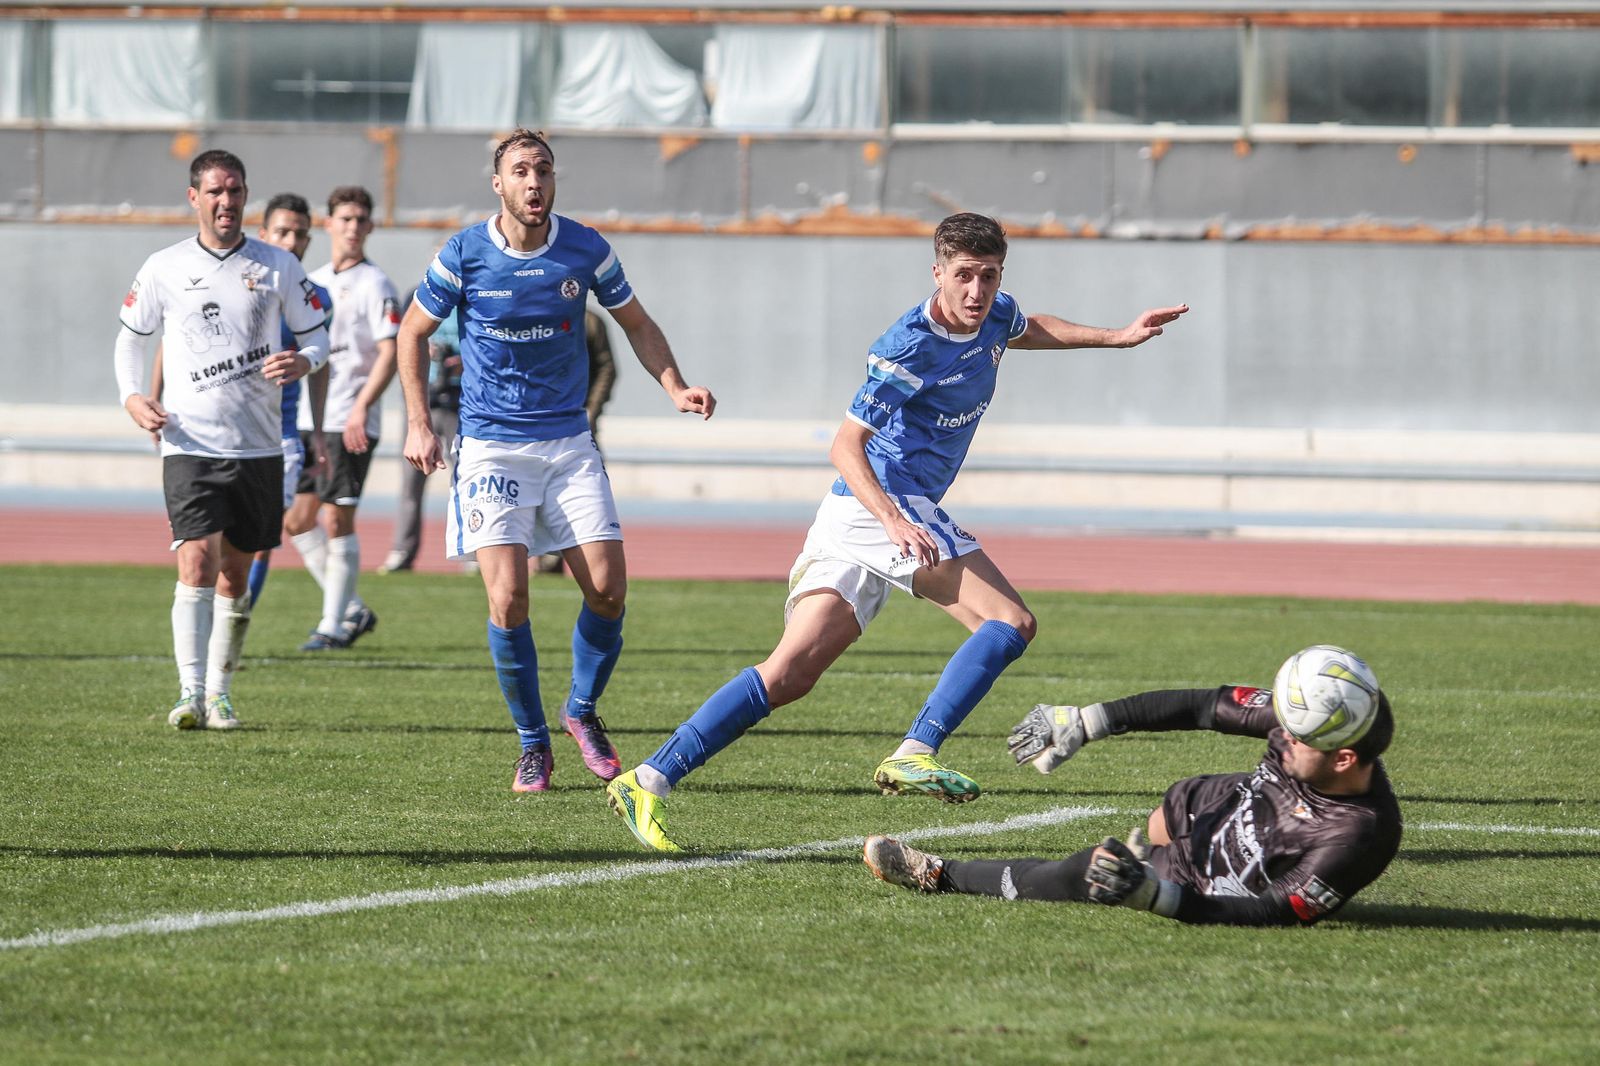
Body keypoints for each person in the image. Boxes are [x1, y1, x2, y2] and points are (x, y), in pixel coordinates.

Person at [606, 212, 1188, 852]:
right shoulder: (908, 347)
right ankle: (918, 748)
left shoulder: (994, 313)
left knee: (790, 673)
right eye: (963, 276)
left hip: (858, 516)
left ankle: (648, 777)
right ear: (937, 272)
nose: (976, 292)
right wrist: (894, 520)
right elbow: (844, 446)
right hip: (880, 504)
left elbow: (1029, 327)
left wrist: (1118, 336)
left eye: (988, 277)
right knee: (1009, 622)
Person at [396, 128, 716, 794]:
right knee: (509, 598)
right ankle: (533, 745)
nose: (534, 182)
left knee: (607, 587)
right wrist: (419, 422)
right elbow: (412, 333)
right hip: (489, 444)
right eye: (520, 171)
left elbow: (637, 323)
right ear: (499, 183)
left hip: (567, 443)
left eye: (543, 170)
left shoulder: (585, 248)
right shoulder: (463, 254)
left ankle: (581, 709)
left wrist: (676, 386)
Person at [863, 680, 1401, 926]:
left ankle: (939, 873)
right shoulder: (1316, 718)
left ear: (1344, 759)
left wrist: (1157, 896)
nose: (1279, 737)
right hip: (1221, 805)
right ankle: (1152, 845)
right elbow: (1199, 706)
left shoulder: (1358, 834)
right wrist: (1087, 721)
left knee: (1091, 873)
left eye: (1297, 739)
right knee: (1181, 800)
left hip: (1217, 881)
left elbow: (1279, 910)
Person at [114, 149, 330, 730]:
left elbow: (318, 337)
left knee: (236, 572)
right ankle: (189, 693)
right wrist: (133, 397)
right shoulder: (164, 266)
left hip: (258, 447)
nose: (226, 201)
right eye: (215, 191)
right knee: (196, 560)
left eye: (234, 191)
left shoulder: (279, 265)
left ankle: (220, 693)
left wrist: (304, 361)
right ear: (194, 197)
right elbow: (131, 340)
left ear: (245, 196)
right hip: (189, 443)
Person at [284, 186, 401, 651]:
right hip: (311, 418)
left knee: (338, 521)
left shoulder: (376, 283)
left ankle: (332, 626)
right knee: (295, 520)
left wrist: (360, 408)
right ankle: (352, 608)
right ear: (328, 223)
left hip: (349, 420)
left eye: (360, 219)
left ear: (370, 227)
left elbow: (389, 352)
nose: (352, 227)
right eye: (344, 219)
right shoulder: (311, 280)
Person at [378, 292, 461, 574]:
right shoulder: (419, 293)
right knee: (411, 482)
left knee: (467, 480)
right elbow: (406, 338)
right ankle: (403, 550)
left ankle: (474, 550)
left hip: (461, 400)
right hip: (422, 402)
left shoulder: (474, 290)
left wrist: (462, 360)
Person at [537, 309, 616, 575]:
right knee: (534, 492)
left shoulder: (591, 322)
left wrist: (592, 410)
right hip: (535, 423)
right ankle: (534, 555)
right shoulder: (534, 314)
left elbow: (607, 368)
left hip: (579, 424)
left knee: (580, 494)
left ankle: (560, 560)